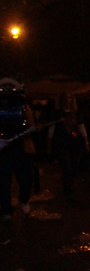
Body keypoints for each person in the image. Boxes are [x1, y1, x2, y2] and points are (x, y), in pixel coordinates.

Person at [0, 78, 36, 221]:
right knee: (3, 181)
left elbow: (31, 124)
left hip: (21, 147)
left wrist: (29, 130)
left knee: (26, 178)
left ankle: (23, 200)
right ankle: (6, 209)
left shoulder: (23, 106)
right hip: (2, 149)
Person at [46, 91, 90, 202]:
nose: (67, 100)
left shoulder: (76, 114)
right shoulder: (57, 114)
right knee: (67, 167)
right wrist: (49, 144)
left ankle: (71, 188)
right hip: (61, 143)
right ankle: (67, 191)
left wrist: (86, 142)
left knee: (74, 167)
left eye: (69, 98)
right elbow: (52, 129)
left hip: (74, 143)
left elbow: (81, 127)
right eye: (65, 98)